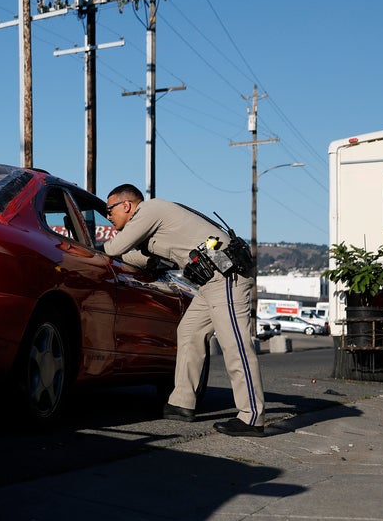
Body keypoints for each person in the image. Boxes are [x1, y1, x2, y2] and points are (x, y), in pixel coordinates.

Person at [103, 184, 267, 437]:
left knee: (235, 345)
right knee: (189, 332)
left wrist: (94, 247)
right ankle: (182, 403)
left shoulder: (150, 210)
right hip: (211, 282)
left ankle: (251, 416)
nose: (108, 216)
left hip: (227, 277)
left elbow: (114, 249)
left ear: (126, 205)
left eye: (109, 209)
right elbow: (149, 259)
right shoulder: (153, 224)